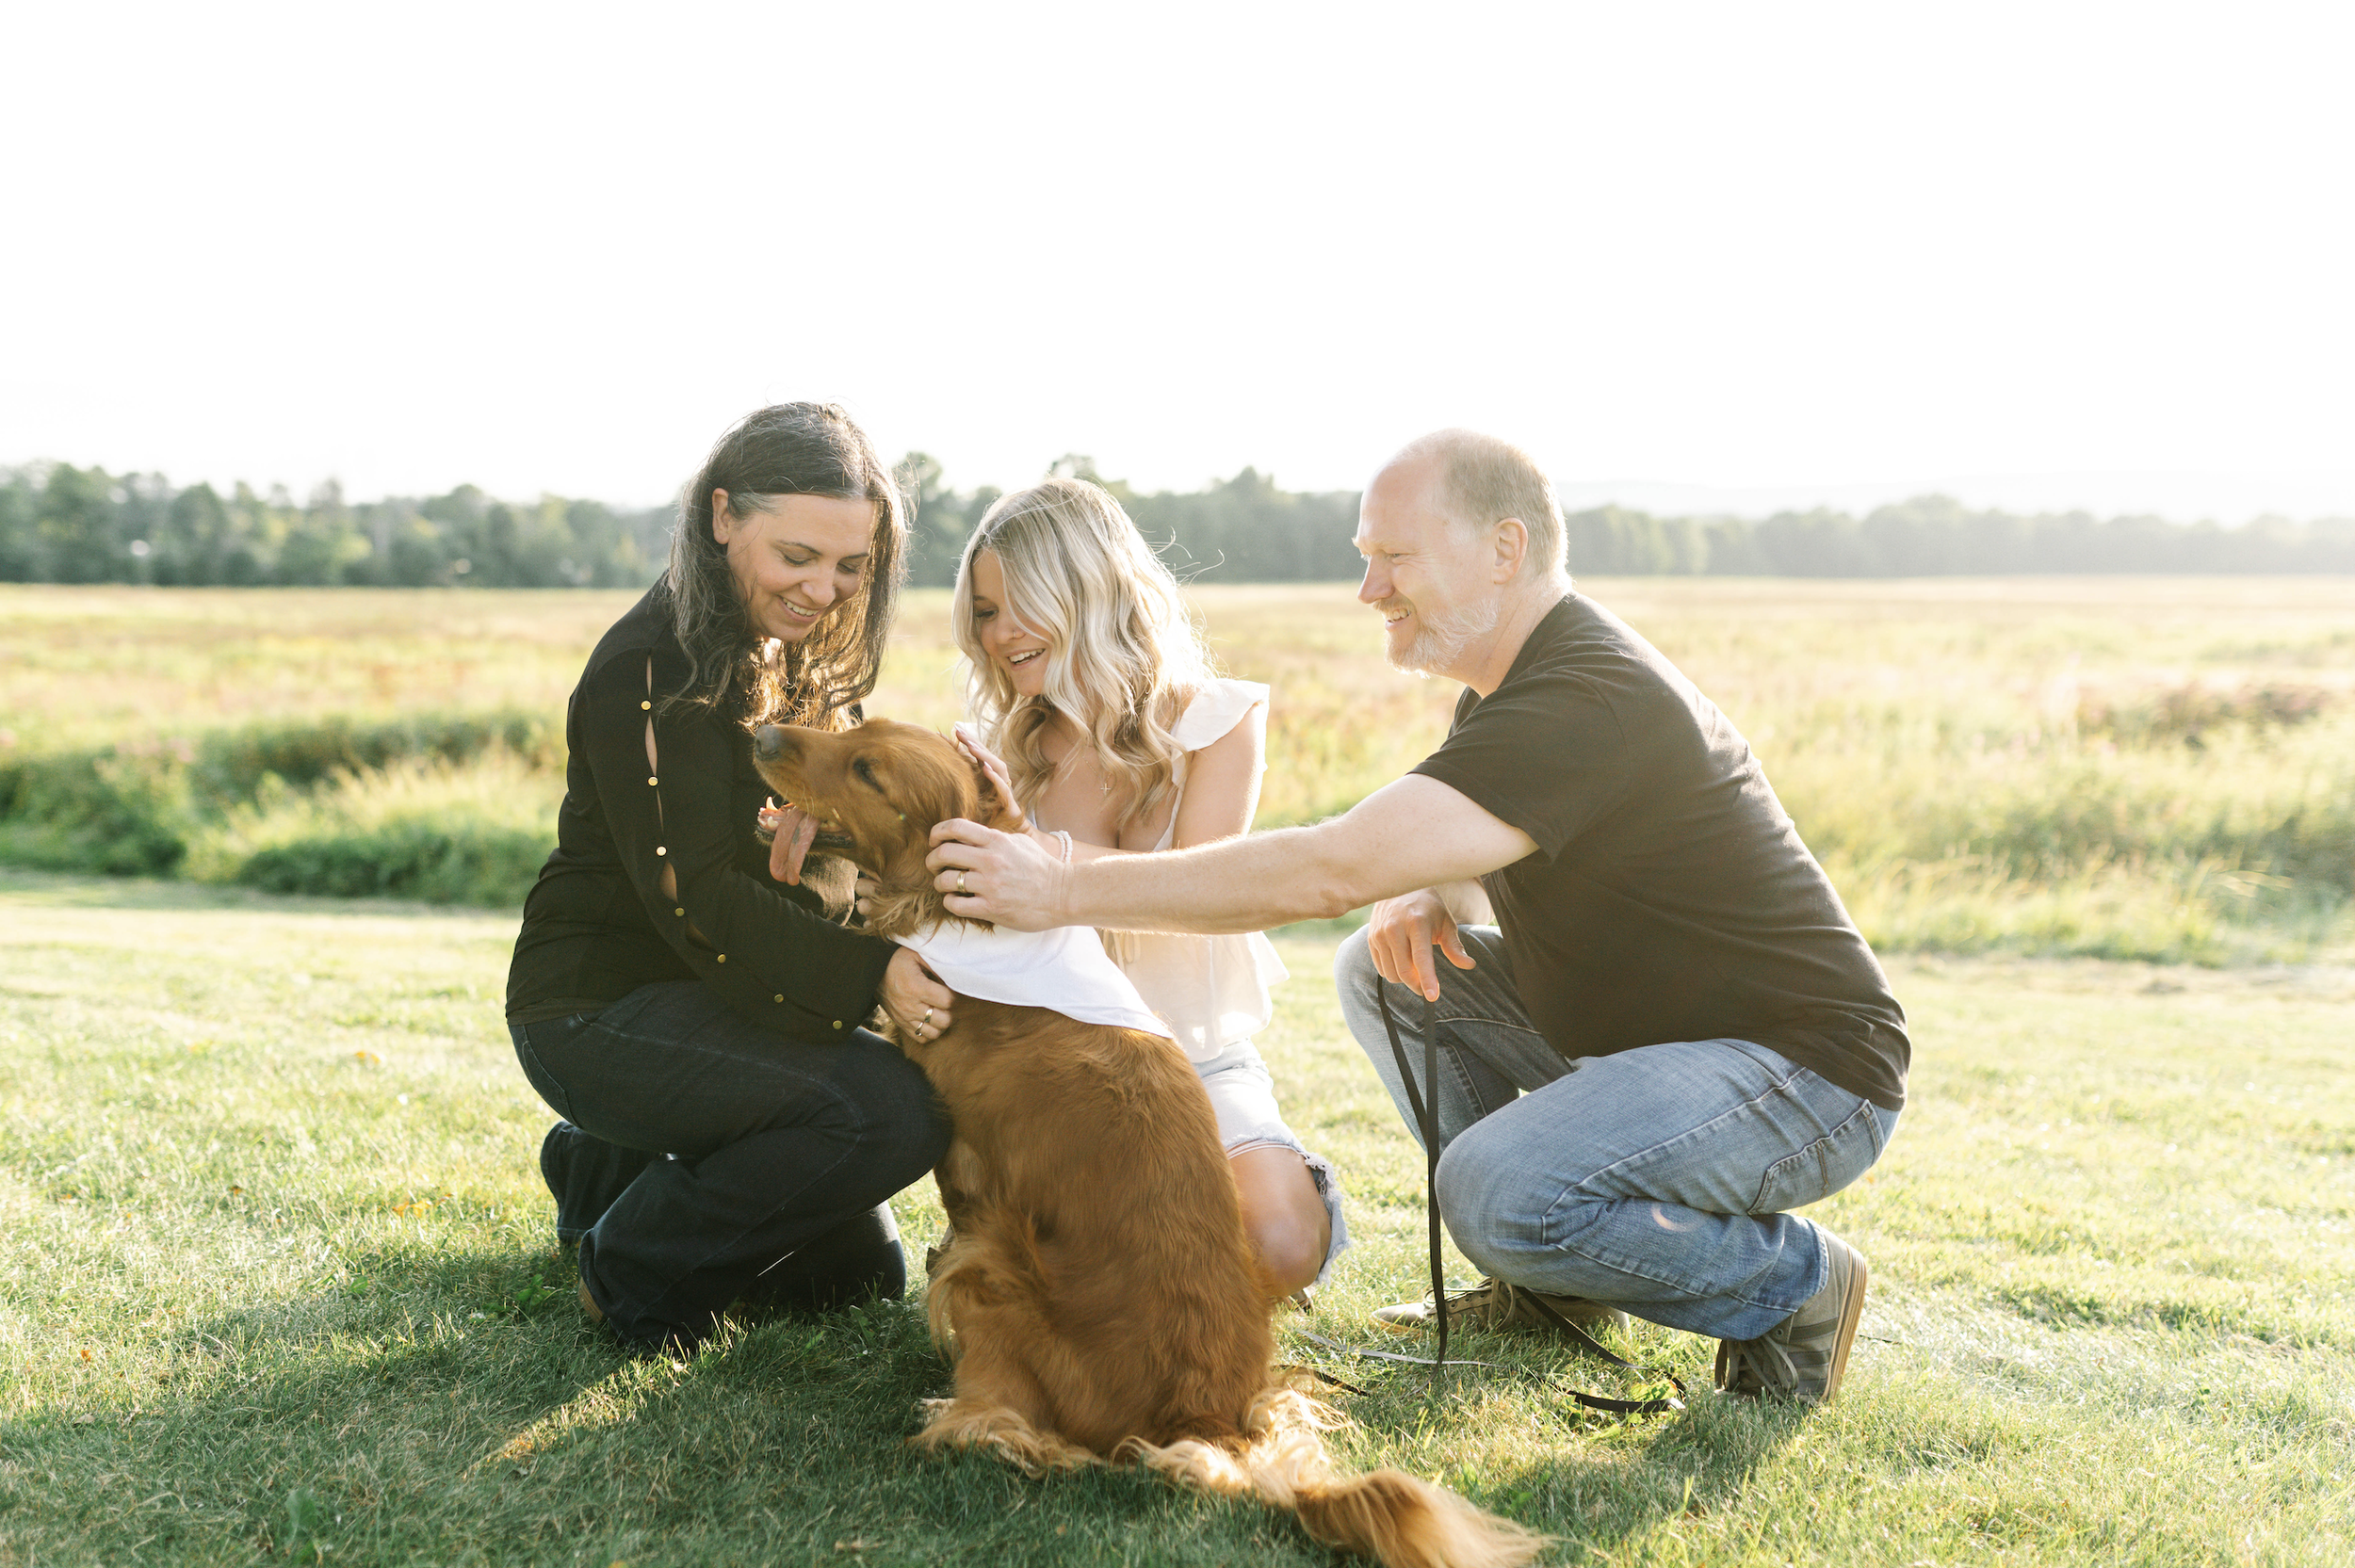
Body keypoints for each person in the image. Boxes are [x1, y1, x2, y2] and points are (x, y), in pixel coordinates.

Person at [925, 430, 1908, 1405]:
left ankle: (1796, 1289)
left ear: (1504, 551)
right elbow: (1558, 856)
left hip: (1801, 1069)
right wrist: (1437, 886)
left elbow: (1326, 870)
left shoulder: (1583, 696)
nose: (1370, 591)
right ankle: (1544, 1288)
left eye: (1393, 559)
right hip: (1671, 1044)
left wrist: (1055, 886)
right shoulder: (1503, 699)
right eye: (1366, 562)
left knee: (1491, 1189)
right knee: (1378, 971)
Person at [505, 403, 955, 1353]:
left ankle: (600, 1170)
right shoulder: (644, 669)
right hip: (597, 1008)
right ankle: (627, 1267)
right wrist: (870, 974)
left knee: (851, 1280)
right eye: (796, 556)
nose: (823, 589)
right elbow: (697, 902)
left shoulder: (801, 661)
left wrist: (818, 862)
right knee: (896, 1113)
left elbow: (832, 857)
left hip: (716, 995)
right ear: (721, 519)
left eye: (850, 566)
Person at [942, 476, 1345, 1301]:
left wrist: (1038, 854)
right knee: (1068, 1281)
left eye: (1023, 601)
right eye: (984, 611)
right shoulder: (999, 751)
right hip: (1055, 1071)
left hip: (1197, 1055)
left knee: (1278, 1242)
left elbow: (1199, 891)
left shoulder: (1215, 722)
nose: (999, 633)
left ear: (1088, 591)